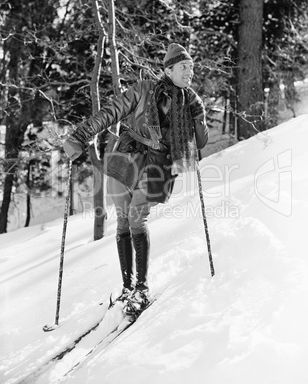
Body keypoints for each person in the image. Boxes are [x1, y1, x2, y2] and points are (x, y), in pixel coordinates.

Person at [63, 43, 209, 316]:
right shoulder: (143, 90)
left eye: (191, 67)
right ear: (169, 69)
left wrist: (197, 115)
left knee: (136, 218)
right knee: (121, 219)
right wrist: (81, 135)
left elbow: (200, 141)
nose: (189, 72)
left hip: (161, 164)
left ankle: (141, 288)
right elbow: (111, 112)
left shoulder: (191, 101)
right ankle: (127, 287)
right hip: (127, 156)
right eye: (183, 67)